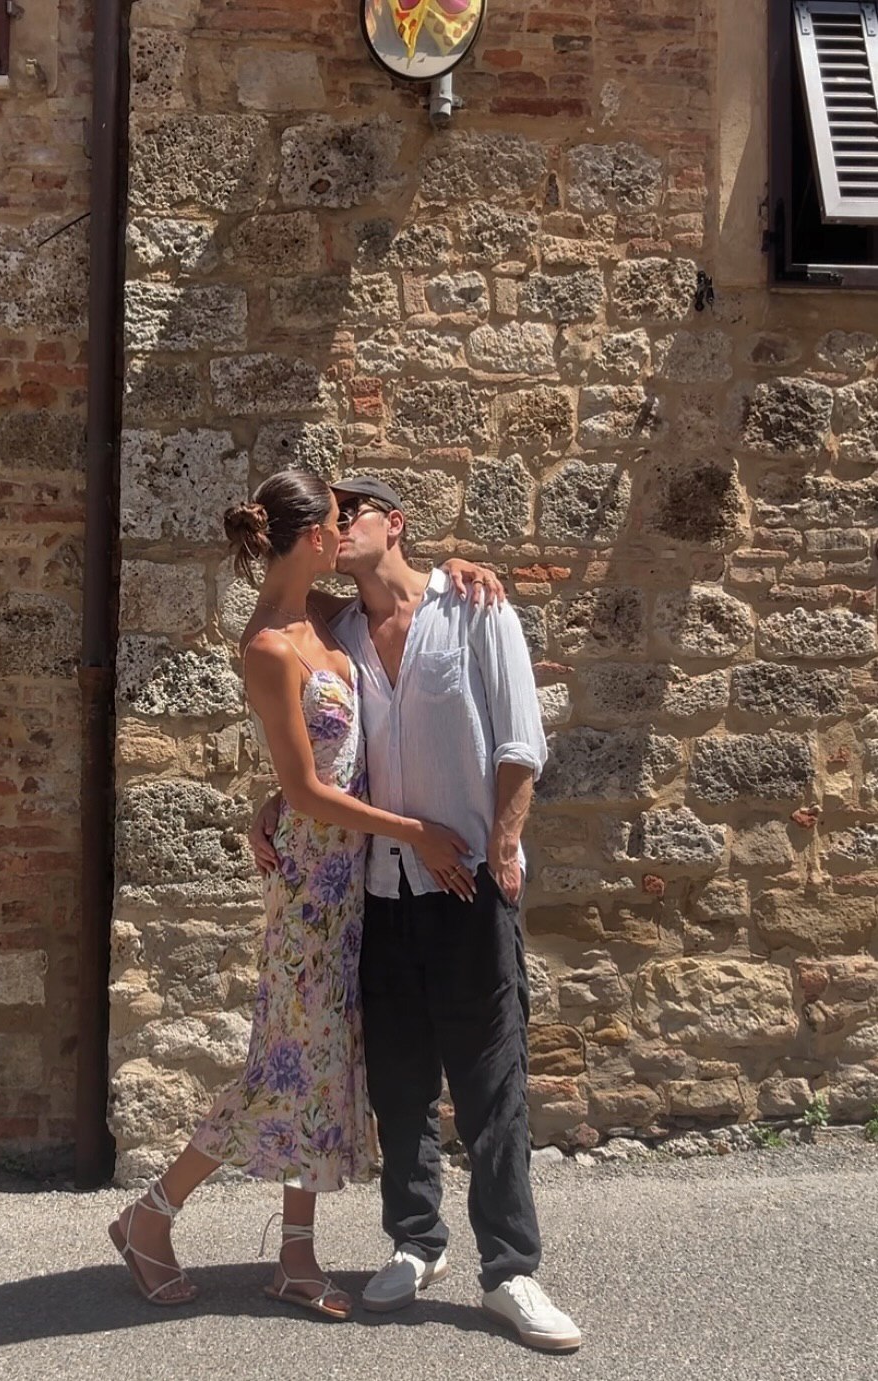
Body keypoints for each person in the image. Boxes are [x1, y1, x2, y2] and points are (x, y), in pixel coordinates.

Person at [108, 469, 493, 1319]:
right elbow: (310, 790)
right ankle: (149, 1216)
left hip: (350, 884)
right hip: (312, 890)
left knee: (319, 1068)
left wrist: (457, 567)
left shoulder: (322, 614)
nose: (346, 531)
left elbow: (400, 607)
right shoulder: (268, 648)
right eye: (337, 521)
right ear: (314, 536)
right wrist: (413, 830)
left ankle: (294, 1256)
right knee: (277, 1069)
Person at [251, 475, 581, 1352]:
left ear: (394, 524)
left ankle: (510, 1270)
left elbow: (521, 741)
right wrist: (273, 799)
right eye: (328, 516)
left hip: (468, 884)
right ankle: (415, 1241)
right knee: (399, 1086)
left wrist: (504, 848)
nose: (334, 525)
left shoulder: (475, 608)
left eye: (350, 512)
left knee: (491, 1085)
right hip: (381, 891)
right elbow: (316, 742)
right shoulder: (339, 630)